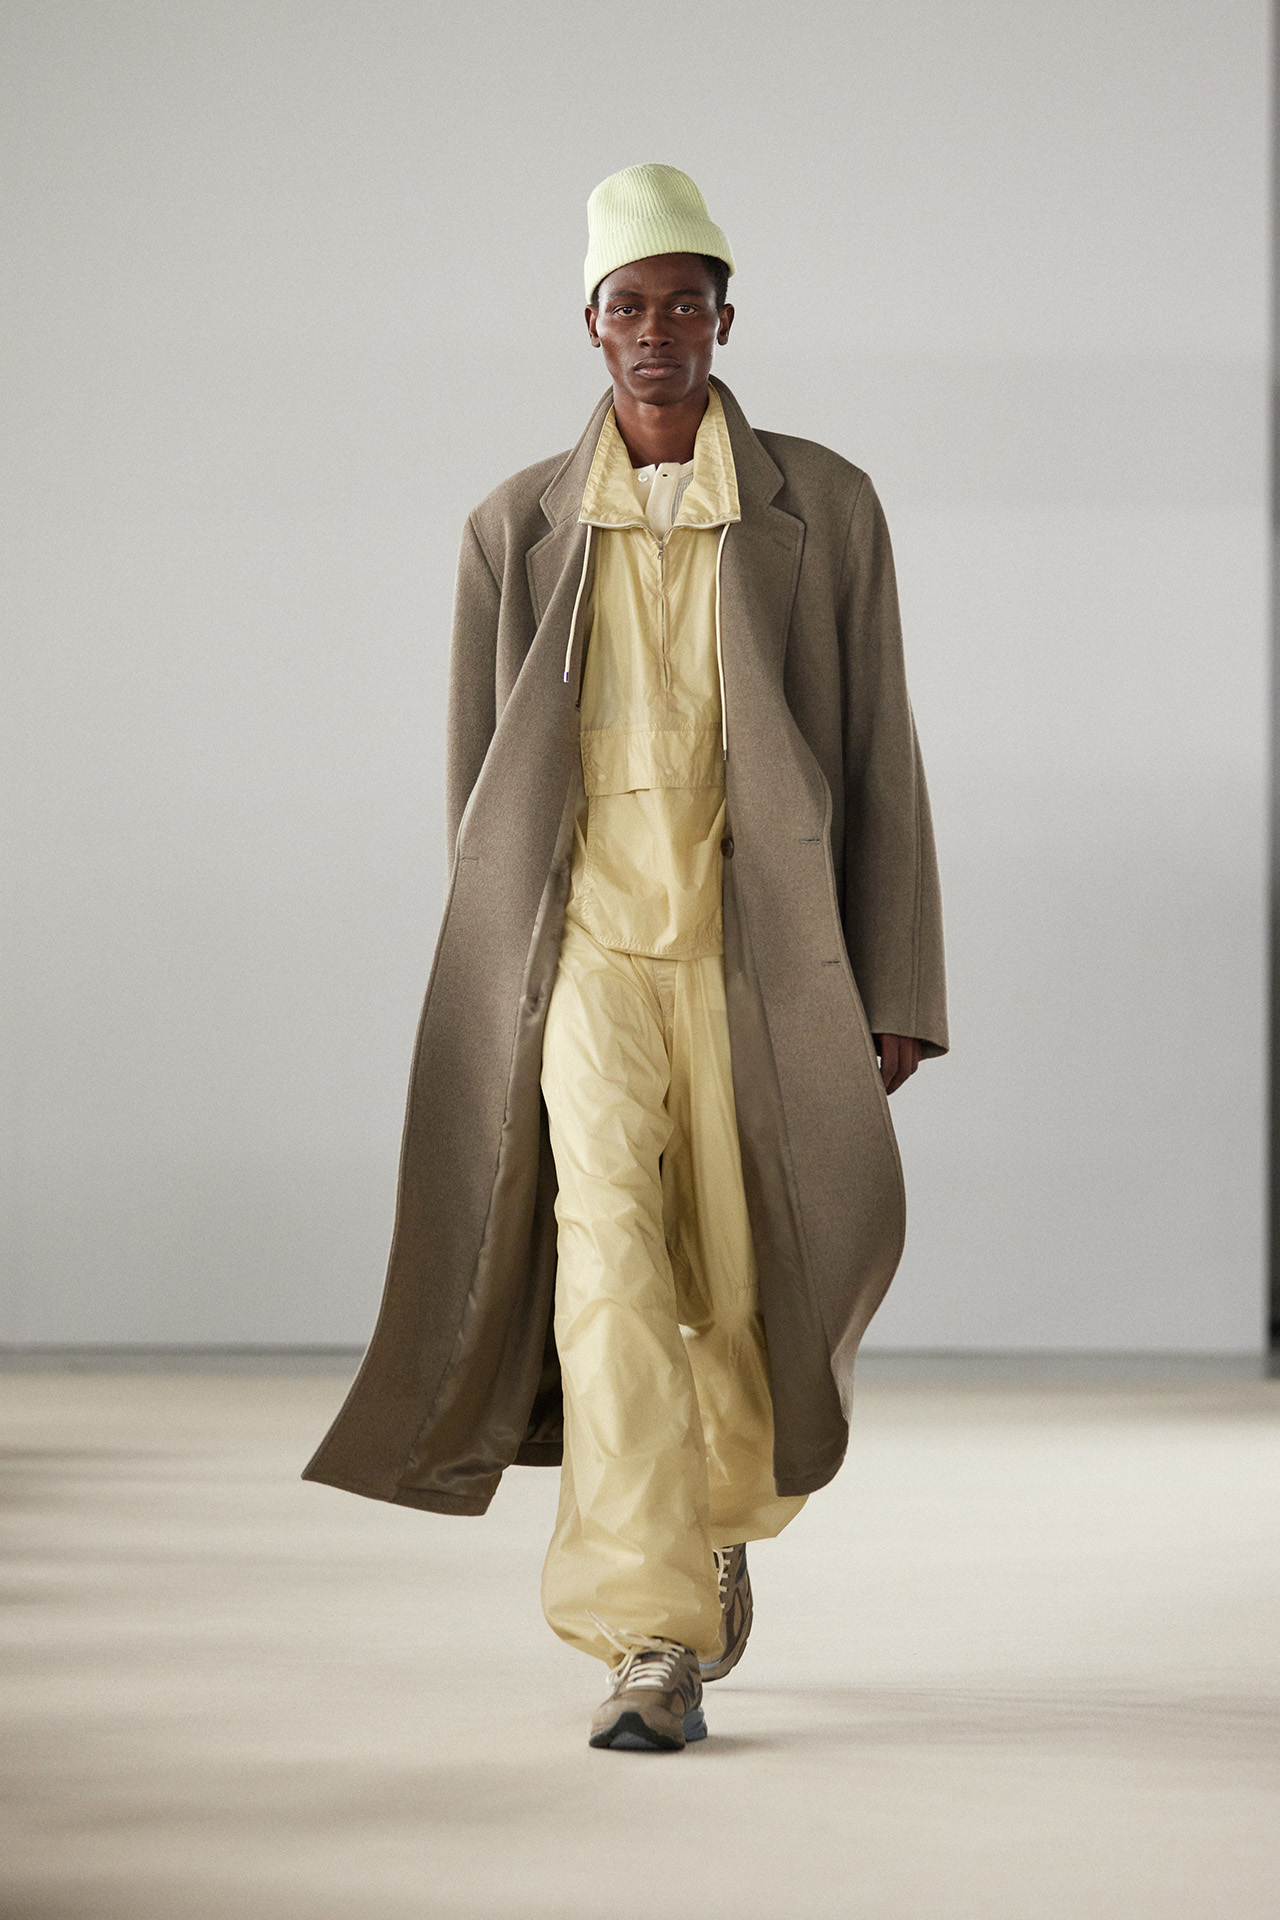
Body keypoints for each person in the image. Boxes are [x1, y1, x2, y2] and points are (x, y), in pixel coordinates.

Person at [304, 163, 948, 1754]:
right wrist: (503, 993)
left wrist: (896, 986)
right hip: (588, 958)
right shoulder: (514, 528)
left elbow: (882, 756)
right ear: (588, 327)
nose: (657, 331)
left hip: (757, 961)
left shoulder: (824, 508)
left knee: (748, 1281)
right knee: (605, 1277)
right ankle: (648, 1634)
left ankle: (715, 1524)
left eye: (684, 304)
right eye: (628, 306)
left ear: (728, 320)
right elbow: (481, 794)